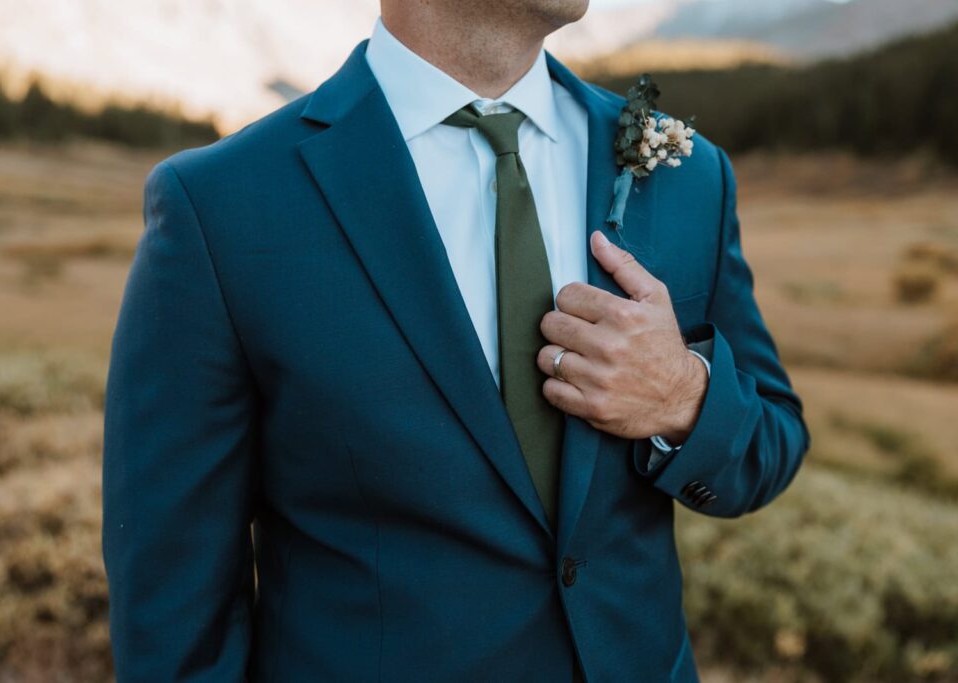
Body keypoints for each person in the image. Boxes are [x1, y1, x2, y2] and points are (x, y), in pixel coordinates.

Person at [101, 0, 810, 680]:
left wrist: (683, 397)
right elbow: (173, 607)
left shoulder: (687, 173)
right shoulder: (221, 207)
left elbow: (771, 441)